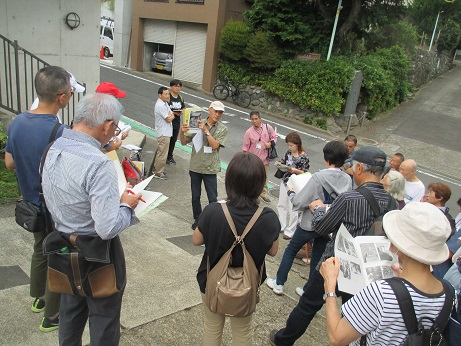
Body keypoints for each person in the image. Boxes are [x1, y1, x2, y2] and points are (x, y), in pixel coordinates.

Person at [269, 146, 398, 346]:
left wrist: (318, 209)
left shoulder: (350, 199)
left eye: (353, 167)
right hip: (365, 272)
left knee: (308, 306)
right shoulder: (392, 203)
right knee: (354, 314)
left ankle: (283, 340)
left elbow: (321, 227)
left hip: (335, 264)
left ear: (360, 169)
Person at [41, 93, 142, 345]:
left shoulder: (52, 148)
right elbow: (107, 227)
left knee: (70, 314)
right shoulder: (99, 163)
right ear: (107, 125)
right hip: (98, 255)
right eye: (114, 128)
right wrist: (126, 206)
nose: (113, 133)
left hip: (63, 248)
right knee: (104, 323)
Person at [319, 202, 452, 346]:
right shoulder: (449, 293)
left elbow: (337, 338)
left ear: (397, 244)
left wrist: (330, 287)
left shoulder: (382, 292)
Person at [4, 66, 71, 332]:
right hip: (53, 209)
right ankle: (52, 316)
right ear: (61, 98)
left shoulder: (17, 121)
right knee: (58, 255)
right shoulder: (60, 132)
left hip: (30, 205)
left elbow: (9, 162)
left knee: (39, 248)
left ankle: (39, 299)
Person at [192, 152, 280, 345]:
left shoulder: (213, 211)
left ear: (229, 181)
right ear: (259, 184)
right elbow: (273, 251)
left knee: (212, 328)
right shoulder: (268, 217)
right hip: (247, 285)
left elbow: (196, 240)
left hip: (211, 280)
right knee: (242, 332)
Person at [267, 140, 351, 296]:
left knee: (291, 250)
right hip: (329, 225)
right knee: (318, 258)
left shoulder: (318, 177)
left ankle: (279, 283)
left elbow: (299, 202)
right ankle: (307, 290)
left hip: (310, 223)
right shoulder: (347, 180)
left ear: (327, 158)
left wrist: (292, 193)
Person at [180, 101, 228, 230]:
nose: (217, 114)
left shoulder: (222, 129)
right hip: (196, 165)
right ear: (209, 110)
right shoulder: (196, 122)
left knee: (212, 197)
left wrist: (206, 131)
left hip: (210, 167)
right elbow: (184, 142)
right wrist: (182, 130)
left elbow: (215, 146)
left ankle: (213, 221)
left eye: (220, 112)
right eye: (216, 111)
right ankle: (198, 219)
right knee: (195, 196)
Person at [276, 131, 310, 240]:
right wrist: (280, 164)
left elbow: (305, 172)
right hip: (285, 180)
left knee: (293, 207)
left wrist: (294, 170)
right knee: (281, 204)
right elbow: (284, 160)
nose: (290, 147)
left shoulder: (304, 157)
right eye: (289, 145)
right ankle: (282, 225)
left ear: (297, 144)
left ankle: (290, 230)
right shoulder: (288, 152)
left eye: (292, 145)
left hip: (295, 183)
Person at [422, 182, 458, 279]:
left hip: (432, 264)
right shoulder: (424, 208)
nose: (427, 195)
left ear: (440, 197)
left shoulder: (447, 220)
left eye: (431, 192)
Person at [242, 110, 277, 203]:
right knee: (253, 178)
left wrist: (270, 143)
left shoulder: (268, 128)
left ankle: (263, 194)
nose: (254, 121)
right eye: (252, 119)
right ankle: (253, 194)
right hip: (253, 160)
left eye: (256, 119)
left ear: (260, 118)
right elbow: (245, 147)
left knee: (264, 177)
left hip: (265, 159)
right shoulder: (248, 132)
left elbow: (274, 137)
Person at [95, 82, 129, 151]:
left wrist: (115, 135)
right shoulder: (106, 119)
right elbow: (112, 148)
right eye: (117, 99)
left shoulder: (91, 111)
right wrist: (119, 140)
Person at [153, 86, 174, 179]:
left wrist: (171, 115)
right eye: (165, 94)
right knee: (162, 153)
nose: (167, 95)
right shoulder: (160, 105)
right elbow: (169, 118)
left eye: (168, 94)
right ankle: (158, 173)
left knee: (161, 152)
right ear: (159, 95)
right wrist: (171, 116)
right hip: (163, 133)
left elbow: (171, 114)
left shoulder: (164, 103)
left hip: (166, 132)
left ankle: (158, 169)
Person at [167, 79, 185, 165]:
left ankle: (170, 156)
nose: (178, 88)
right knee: (167, 140)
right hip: (168, 122)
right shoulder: (168, 97)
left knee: (173, 140)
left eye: (179, 86)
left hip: (176, 122)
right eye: (176, 86)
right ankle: (165, 156)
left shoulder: (180, 98)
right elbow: (165, 109)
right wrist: (174, 112)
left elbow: (183, 108)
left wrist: (181, 112)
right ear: (171, 87)